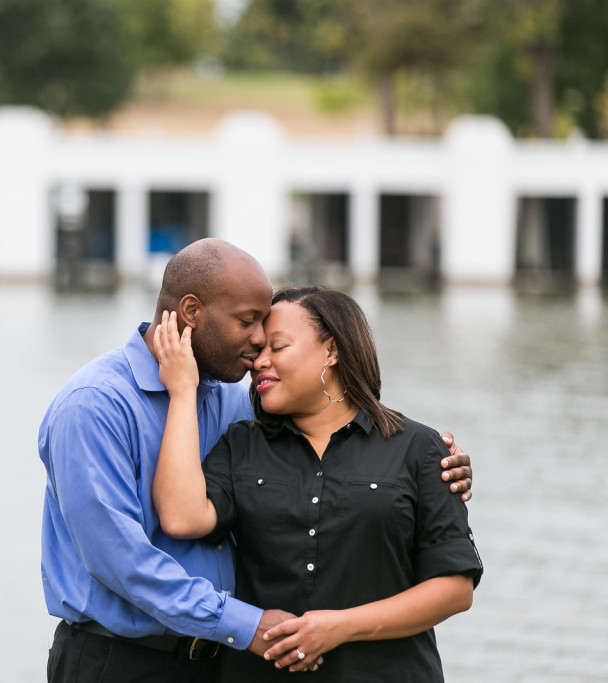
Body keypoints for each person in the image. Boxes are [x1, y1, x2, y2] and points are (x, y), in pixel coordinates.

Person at [39, 239, 473, 683]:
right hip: (123, 661)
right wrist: (245, 625)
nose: (258, 343)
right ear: (191, 312)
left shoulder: (239, 401)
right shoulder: (93, 406)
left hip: (221, 662)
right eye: (248, 322)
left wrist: (433, 459)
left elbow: (337, 426)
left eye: (268, 333)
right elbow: (120, 560)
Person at [152, 284, 483, 681]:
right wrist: (183, 391)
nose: (260, 362)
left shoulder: (420, 448)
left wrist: (338, 627)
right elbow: (181, 517)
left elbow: (454, 587)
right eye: (259, 352)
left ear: (332, 350)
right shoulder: (241, 444)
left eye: (278, 347)